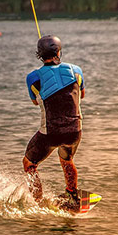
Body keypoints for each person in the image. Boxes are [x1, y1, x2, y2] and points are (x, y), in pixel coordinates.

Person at [23, 35, 85, 207]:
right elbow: (82, 94)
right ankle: (72, 194)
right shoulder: (76, 70)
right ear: (59, 51)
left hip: (50, 133)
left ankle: (37, 201)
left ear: (39, 55)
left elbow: (35, 101)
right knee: (66, 160)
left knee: (29, 163)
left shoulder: (33, 77)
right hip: (74, 131)